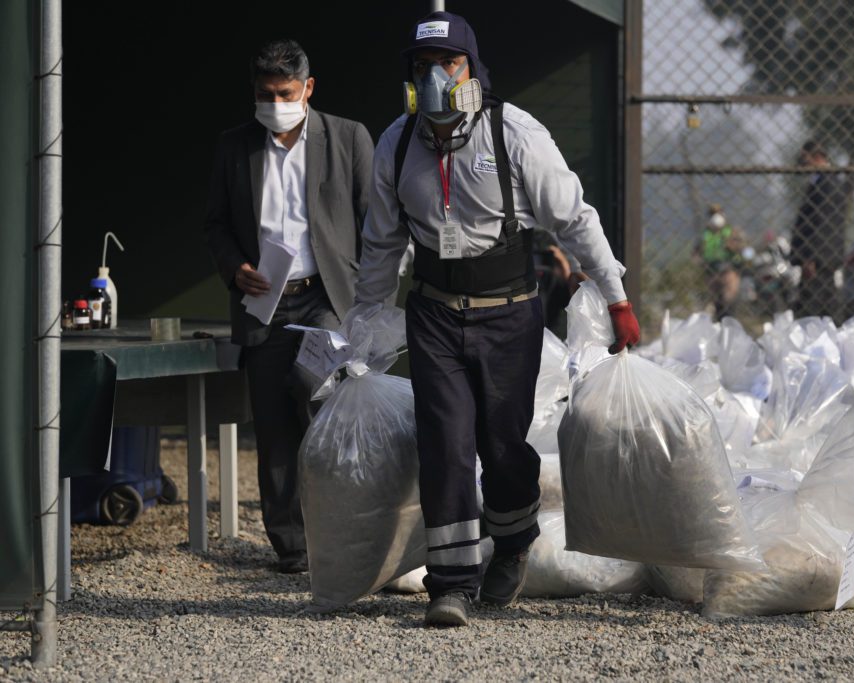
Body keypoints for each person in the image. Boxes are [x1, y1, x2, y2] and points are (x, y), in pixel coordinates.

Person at [350, 11, 640, 627]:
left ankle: (510, 545)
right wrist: (365, 328)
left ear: (472, 71)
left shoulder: (515, 133)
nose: (433, 78)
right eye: (421, 68)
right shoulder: (396, 143)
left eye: (445, 65)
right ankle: (451, 583)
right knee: (446, 446)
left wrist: (616, 298)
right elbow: (380, 247)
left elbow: (574, 218)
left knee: (502, 446)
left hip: (509, 314)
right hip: (433, 316)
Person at [204, 39, 373, 574]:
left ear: (308, 88)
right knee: (274, 426)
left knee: (323, 401)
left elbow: (376, 222)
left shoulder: (347, 138)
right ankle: (294, 548)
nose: (274, 102)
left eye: (284, 92)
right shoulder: (236, 146)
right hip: (265, 304)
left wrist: (371, 306)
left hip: (327, 297)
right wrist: (235, 267)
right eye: (263, 94)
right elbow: (216, 223)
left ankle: (348, 531)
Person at [791, 140, 847, 318]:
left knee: (812, 309)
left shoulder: (827, 183)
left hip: (819, 260)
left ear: (817, 157)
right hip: (822, 258)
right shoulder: (824, 181)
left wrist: (811, 258)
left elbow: (823, 224)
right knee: (824, 307)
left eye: (805, 158)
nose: (802, 162)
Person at [693, 204, 745, 321]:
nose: (715, 217)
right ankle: (719, 321)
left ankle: (730, 320)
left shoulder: (730, 231)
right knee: (717, 302)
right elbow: (697, 252)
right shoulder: (705, 234)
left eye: (718, 214)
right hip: (711, 269)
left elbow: (741, 247)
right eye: (712, 214)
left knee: (729, 299)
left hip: (728, 268)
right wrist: (698, 258)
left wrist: (732, 245)